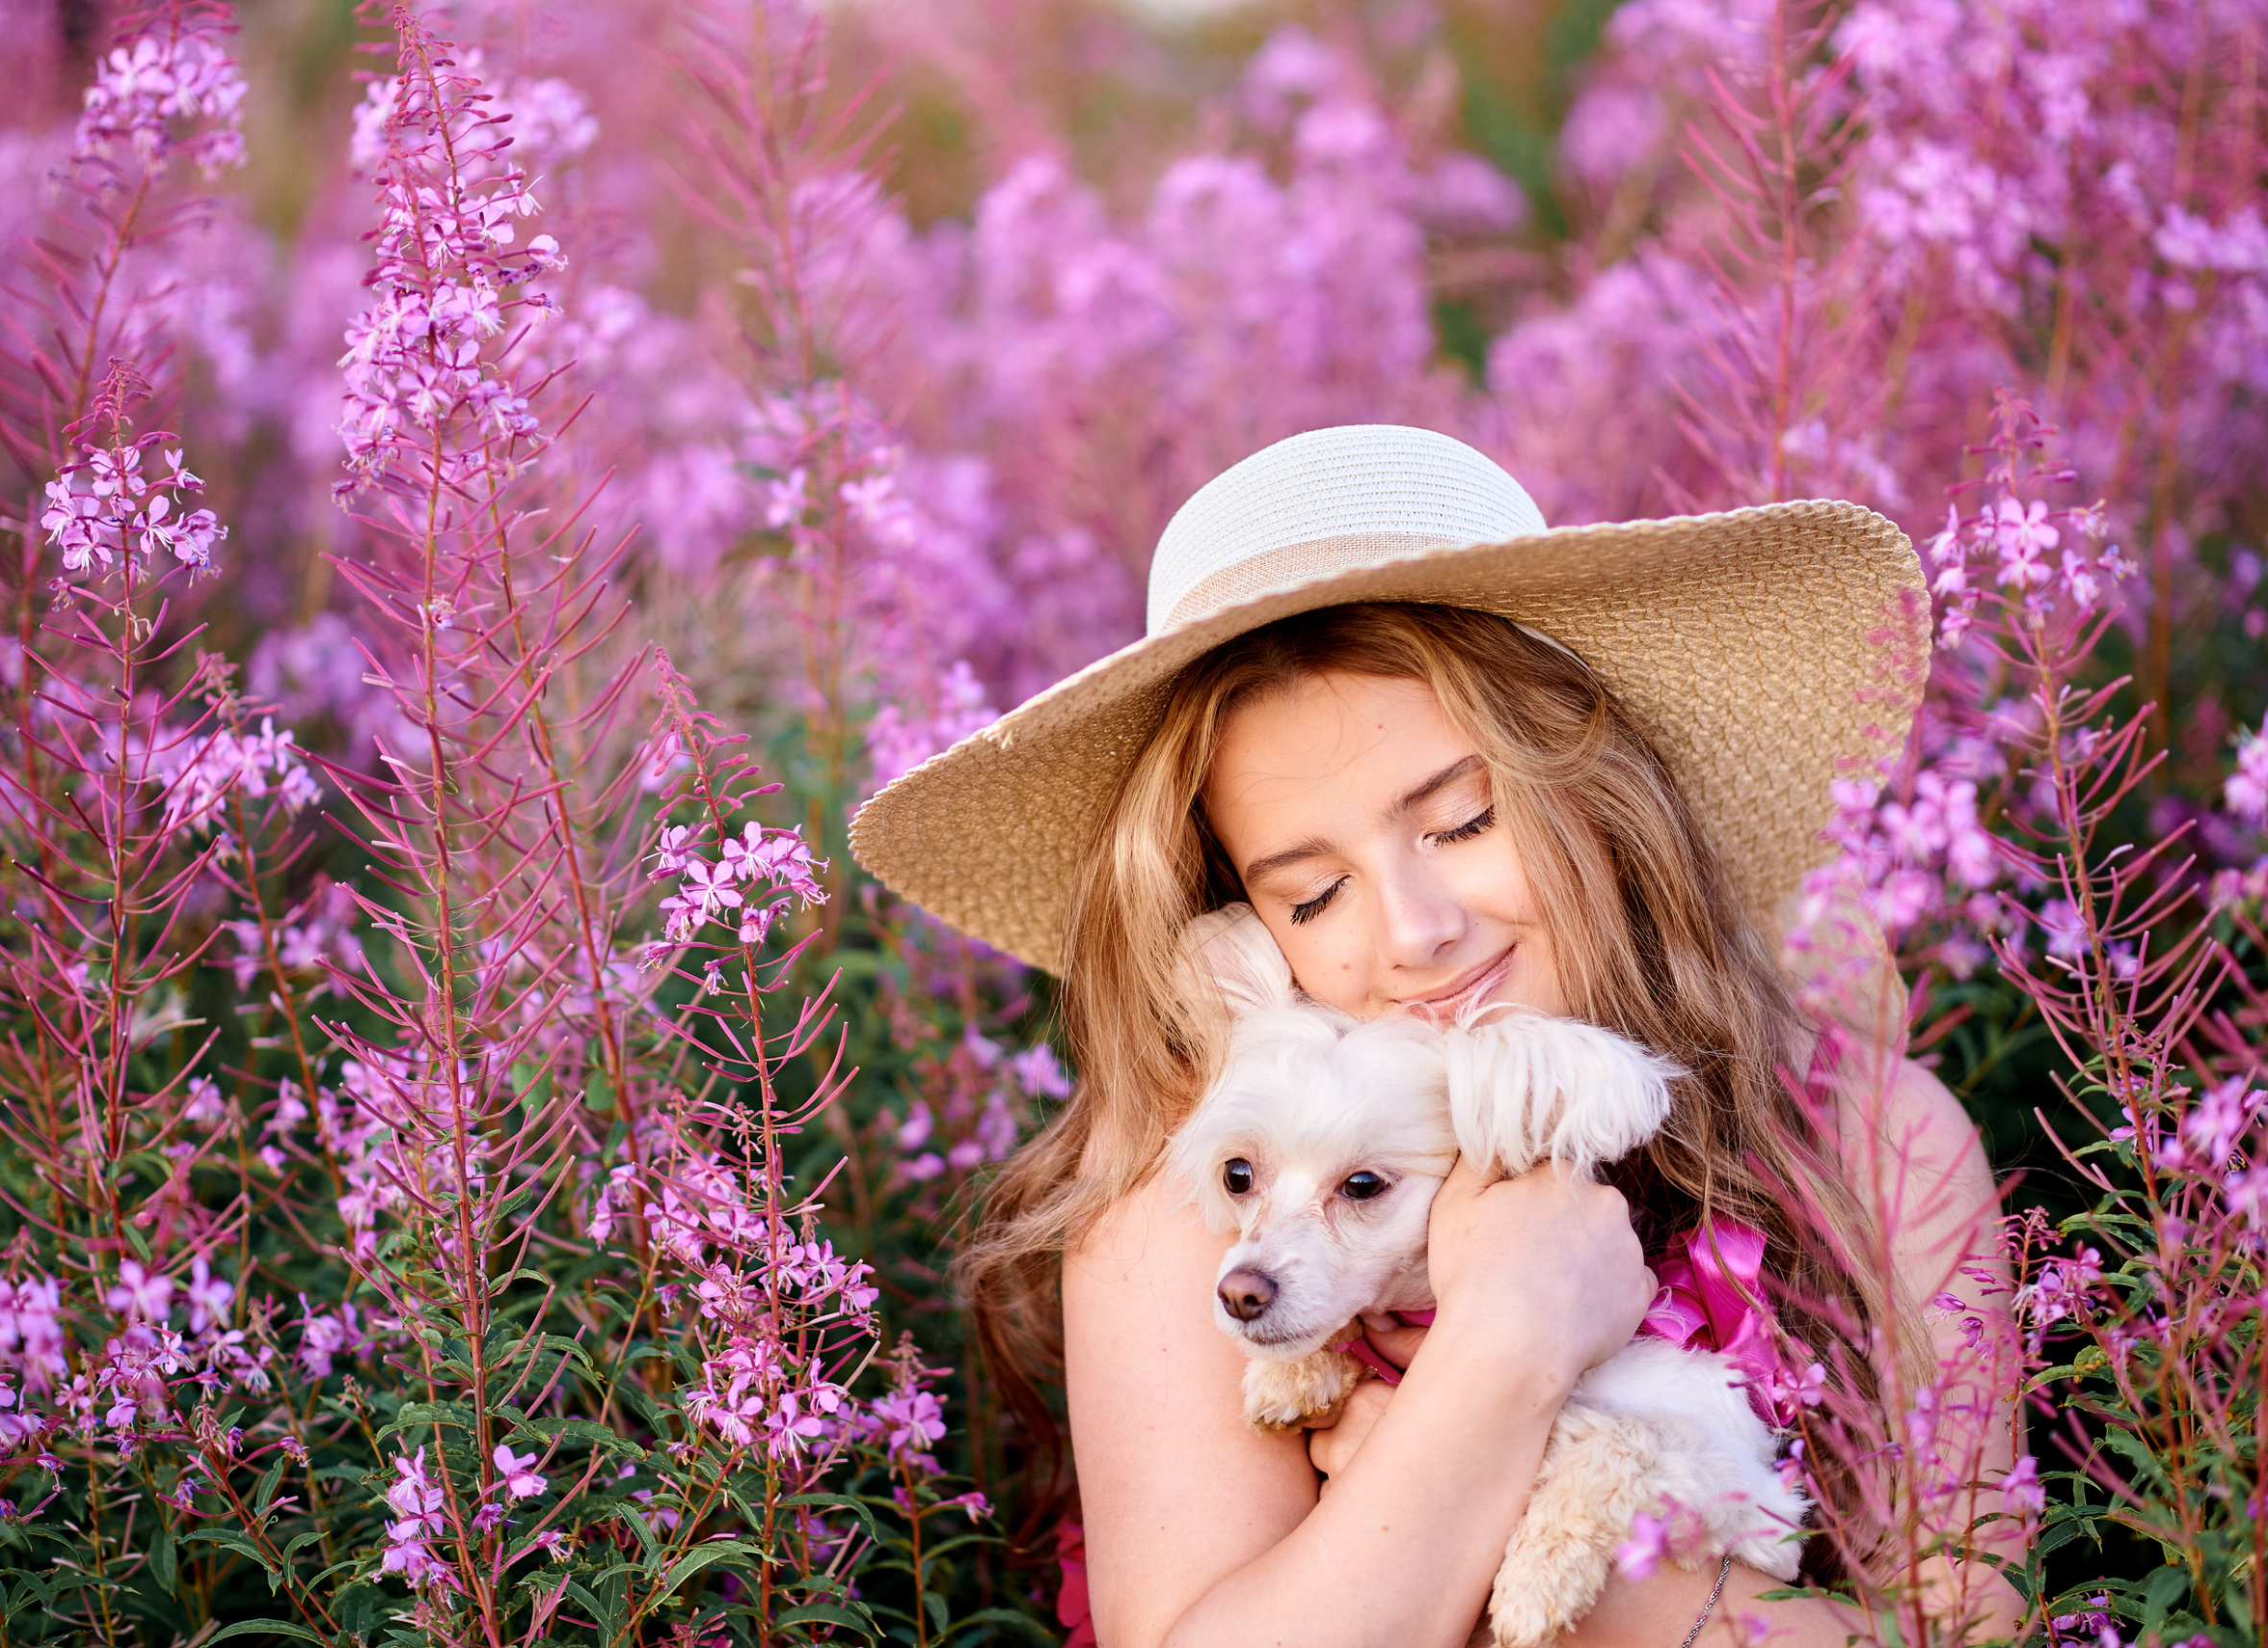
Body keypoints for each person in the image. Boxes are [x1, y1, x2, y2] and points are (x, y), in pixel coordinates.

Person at [850, 426, 2019, 1648]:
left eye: (1462, 820)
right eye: (1311, 895)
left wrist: (1562, 1558)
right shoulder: (1206, 1196)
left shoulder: (1873, 1143)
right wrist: (1507, 1347)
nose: (1416, 930)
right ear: (1241, 927)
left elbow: (1969, 1630)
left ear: (1594, 787)